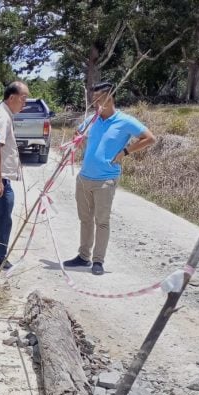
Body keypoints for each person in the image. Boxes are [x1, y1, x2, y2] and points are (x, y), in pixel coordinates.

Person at [63, 81, 156, 275]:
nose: (96, 103)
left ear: (110, 97)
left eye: (99, 99)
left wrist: (125, 152)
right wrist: (79, 141)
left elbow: (150, 138)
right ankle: (83, 256)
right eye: (94, 100)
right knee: (85, 219)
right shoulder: (92, 119)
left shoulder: (125, 121)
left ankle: (98, 261)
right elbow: (77, 132)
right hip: (84, 178)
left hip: (106, 179)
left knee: (102, 221)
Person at [0, 81, 30, 271]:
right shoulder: (2, 116)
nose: (24, 104)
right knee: (2, 218)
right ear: (12, 97)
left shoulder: (2, 113)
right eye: (23, 99)